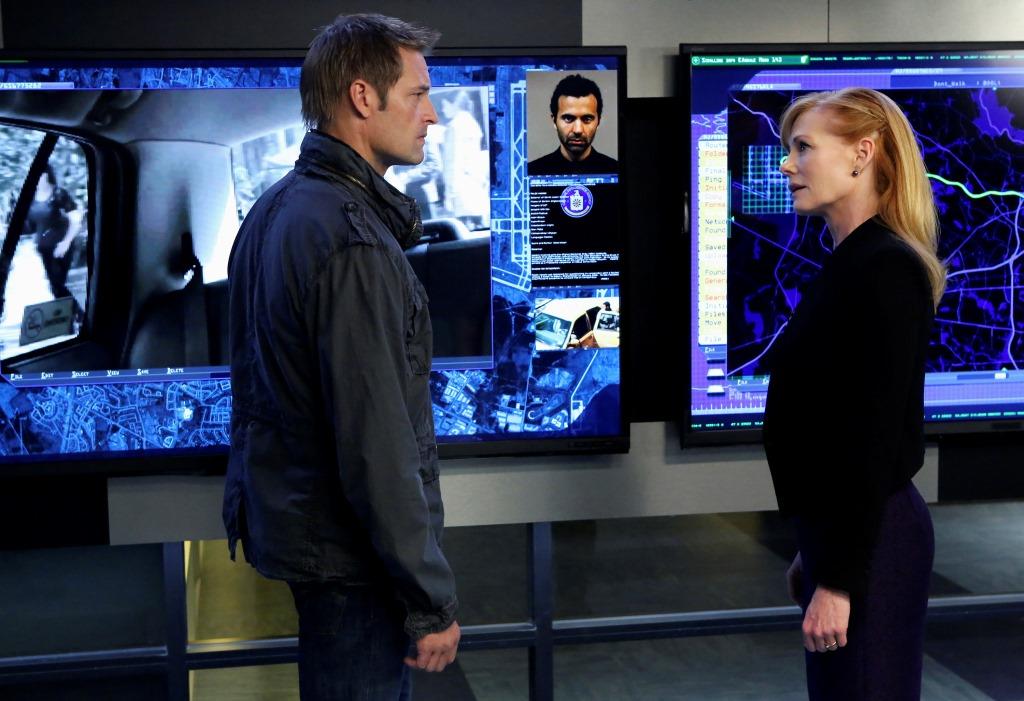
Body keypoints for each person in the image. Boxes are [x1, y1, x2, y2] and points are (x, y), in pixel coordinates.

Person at [223, 14, 460, 700]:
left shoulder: (275, 209)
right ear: (363, 97)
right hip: (353, 562)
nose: (432, 114)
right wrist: (430, 599)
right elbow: (375, 443)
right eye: (417, 94)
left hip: (310, 542)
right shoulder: (352, 241)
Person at [764, 87, 945, 700]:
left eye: (803, 148)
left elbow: (872, 435)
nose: (787, 164)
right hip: (850, 534)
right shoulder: (852, 262)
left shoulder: (885, 267)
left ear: (862, 154)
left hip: (875, 541)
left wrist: (839, 577)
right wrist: (815, 549)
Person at [528, 73, 618, 176]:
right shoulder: (531, 172)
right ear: (554, 121)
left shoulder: (616, 170)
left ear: (599, 122)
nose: (578, 130)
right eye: (568, 118)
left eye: (587, 119)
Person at [24, 165, 83, 315]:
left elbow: (75, 219)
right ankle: (73, 319)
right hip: (43, 248)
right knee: (54, 286)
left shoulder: (59, 194)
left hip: (61, 247)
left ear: (45, 175)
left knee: (58, 285)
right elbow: (30, 226)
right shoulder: (30, 198)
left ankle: (79, 316)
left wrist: (66, 242)